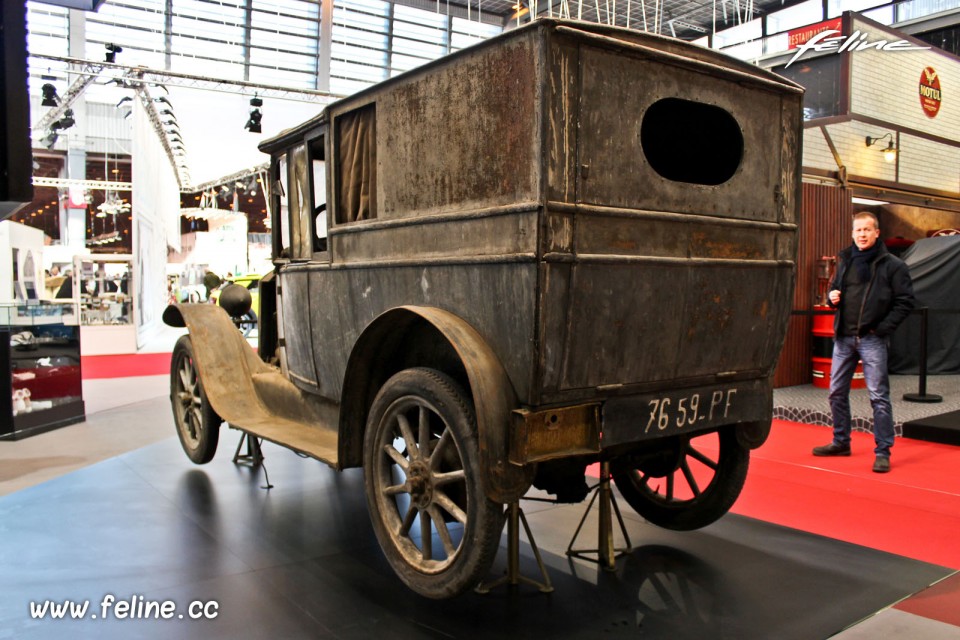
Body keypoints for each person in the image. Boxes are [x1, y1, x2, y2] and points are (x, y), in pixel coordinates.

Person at [813, 211, 915, 473]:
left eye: (867, 230)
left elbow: (905, 303)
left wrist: (882, 329)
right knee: (836, 392)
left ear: (877, 232)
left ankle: (882, 451)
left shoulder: (893, 265)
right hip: (844, 338)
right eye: (858, 230)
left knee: (878, 397)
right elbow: (834, 291)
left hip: (872, 339)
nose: (862, 235)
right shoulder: (845, 260)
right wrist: (831, 297)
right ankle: (841, 441)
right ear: (852, 233)